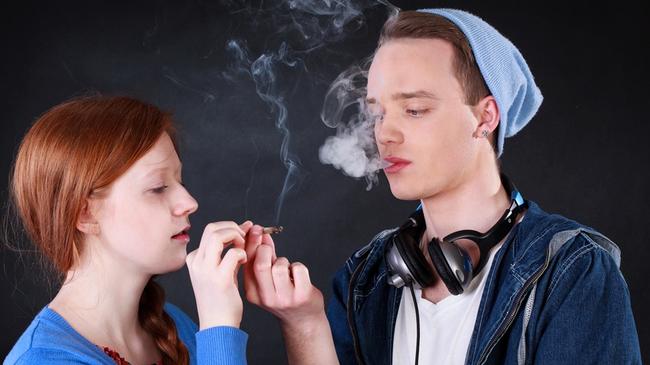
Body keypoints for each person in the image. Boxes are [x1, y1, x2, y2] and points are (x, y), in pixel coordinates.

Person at [243, 8, 642, 365]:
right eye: (377, 112)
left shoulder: (572, 271)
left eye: (414, 110)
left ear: (485, 117)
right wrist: (305, 324)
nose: (385, 134)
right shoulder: (365, 278)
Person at [4, 95, 259, 364]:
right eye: (158, 188)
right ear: (85, 213)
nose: (190, 203)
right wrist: (219, 326)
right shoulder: (43, 360)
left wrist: (304, 322)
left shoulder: (175, 327)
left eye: (179, 181)